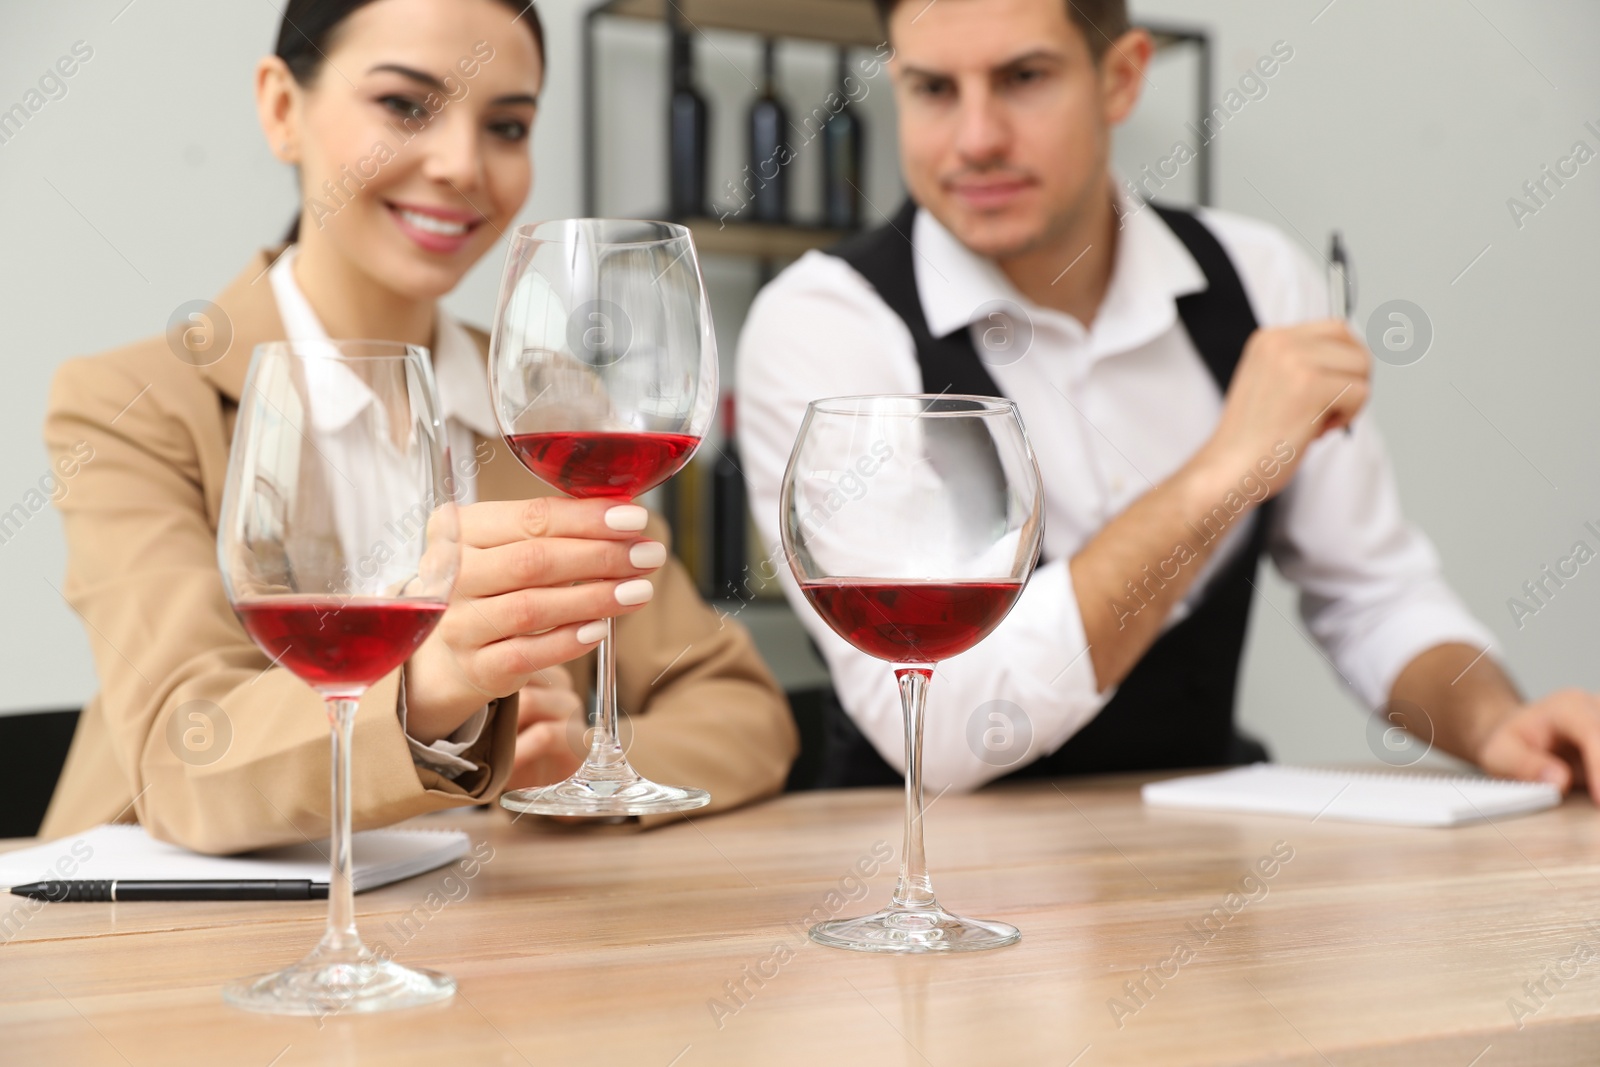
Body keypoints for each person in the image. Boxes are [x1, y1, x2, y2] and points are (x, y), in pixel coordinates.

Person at [737, 0, 1600, 794]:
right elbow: (954, 727)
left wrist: (1497, 724)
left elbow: (1371, 592)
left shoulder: (1260, 279)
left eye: (1023, 78)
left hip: (1195, 865)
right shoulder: (823, 324)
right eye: (932, 89)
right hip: (916, 892)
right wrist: (1224, 469)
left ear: (1121, 77)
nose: (975, 139)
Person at [41, 0, 795, 853]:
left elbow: (743, 710)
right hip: (157, 944)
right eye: (405, 106)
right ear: (283, 109)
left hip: (488, 943)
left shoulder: (552, 410)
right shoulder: (132, 402)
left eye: (507, 125)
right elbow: (184, 754)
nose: (461, 165)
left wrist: (573, 756)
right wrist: (433, 692)